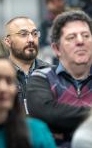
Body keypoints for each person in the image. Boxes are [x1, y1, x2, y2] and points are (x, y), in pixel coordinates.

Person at [26, 10, 92, 146]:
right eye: (71, 37)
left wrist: (62, 124)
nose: (80, 41)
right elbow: (46, 112)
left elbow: (56, 116)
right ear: (56, 49)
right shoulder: (42, 78)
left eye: (86, 36)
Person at [4, 16, 50, 111]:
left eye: (34, 34)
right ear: (8, 41)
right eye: (23, 34)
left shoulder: (51, 73)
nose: (31, 39)